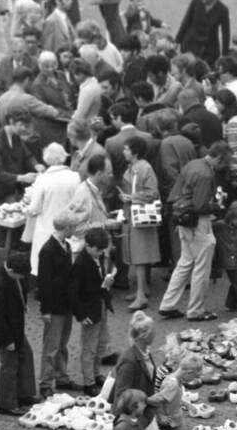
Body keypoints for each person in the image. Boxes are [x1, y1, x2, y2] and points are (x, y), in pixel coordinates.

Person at [158, 141, 230, 322]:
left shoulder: (193, 164)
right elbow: (200, 206)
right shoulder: (205, 174)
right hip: (198, 223)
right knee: (201, 268)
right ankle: (196, 310)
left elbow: (176, 194)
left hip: (183, 219)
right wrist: (218, 205)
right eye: (223, 163)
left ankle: (167, 304)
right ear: (218, 158)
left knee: (184, 263)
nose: (223, 167)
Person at [112, 310, 163, 430]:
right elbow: (122, 394)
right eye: (153, 331)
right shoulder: (129, 359)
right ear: (144, 335)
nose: (156, 333)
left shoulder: (146, 353)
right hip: (134, 417)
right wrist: (147, 401)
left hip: (145, 414)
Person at [0, 252, 38, 416]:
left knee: (26, 355)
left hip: (14, 327)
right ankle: (7, 404)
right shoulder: (1, 286)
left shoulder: (9, 274)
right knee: (9, 367)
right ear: (12, 271)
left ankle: (25, 394)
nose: (22, 278)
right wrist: (7, 341)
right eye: (20, 275)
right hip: (7, 332)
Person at [70, 226, 115, 395]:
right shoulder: (80, 264)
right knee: (89, 347)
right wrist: (81, 315)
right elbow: (73, 293)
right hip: (89, 310)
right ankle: (89, 382)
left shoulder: (97, 256)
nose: (101, 253)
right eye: (98, 250)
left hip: (100, 304)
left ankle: (96, 375)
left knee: (99, 344)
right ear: (88, 246)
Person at [36, 211, 76, 397]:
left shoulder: (65, 246)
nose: (74, 230)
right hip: (55, 306)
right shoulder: (48, 250)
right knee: (51, 346)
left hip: (65, 304)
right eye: (72, 227)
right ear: (66, 228)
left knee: (62, 344)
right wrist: (45, 309)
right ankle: (45, 382)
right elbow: (43, 283)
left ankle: (61, 376)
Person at [25, 143, 81, 276]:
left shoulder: (42, 179)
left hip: (47, 229)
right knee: (66, 267)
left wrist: (27, 205)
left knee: (46, 269)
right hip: (69, 228)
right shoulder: (75, 177)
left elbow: (34, 208)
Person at [118, 135, 160, 310]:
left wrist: (131, 197)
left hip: (139, 216)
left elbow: (152, 192)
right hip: (134, 216)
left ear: (134, 151)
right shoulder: (136, 166)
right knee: (138, 255)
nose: (123, 152)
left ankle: (141, 294)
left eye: (126, 149)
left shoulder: (144, 168)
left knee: (140, 256)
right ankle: (142, 289)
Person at [174, 0, 231, 66]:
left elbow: (225, 33)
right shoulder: (195, 3)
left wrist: (224, 55)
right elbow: (186, 22)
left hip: (208, 51)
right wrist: (177, 41)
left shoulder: (222, 10)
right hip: (190, 46)